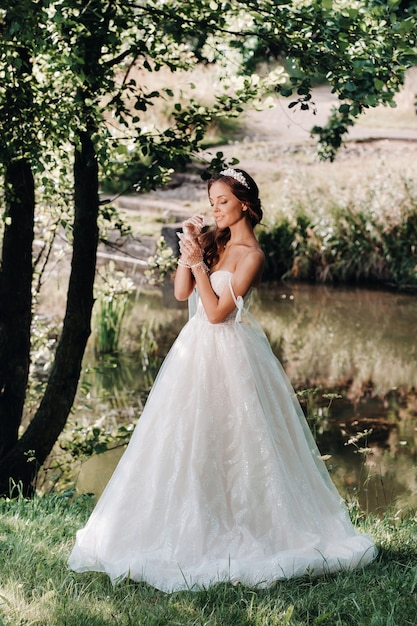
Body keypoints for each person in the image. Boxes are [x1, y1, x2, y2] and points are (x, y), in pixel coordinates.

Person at [68, 168, 376, 592]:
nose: (214, 208)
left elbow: (216, 313)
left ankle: (249, 525)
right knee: (185, 439)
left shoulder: (253, 256)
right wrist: (190, 250)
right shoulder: (215, 242)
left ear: (244, 204)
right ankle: (183, 523)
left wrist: (198, 265)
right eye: (211, 200)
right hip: (193, 353)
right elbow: (182, 295)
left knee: (239, 442)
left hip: (232, 354)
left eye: (222, 201)